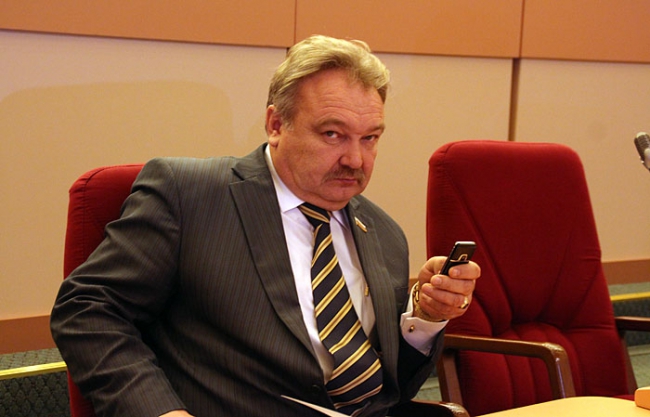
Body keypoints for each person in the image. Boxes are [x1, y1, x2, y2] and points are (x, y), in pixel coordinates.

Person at [51, 35, 480, 417]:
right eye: (333, 134)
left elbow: (394, 390)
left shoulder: (383, 232)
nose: (355, 159)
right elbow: (88, 310)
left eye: (369, 138)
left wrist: (425, 319)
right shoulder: (190, 195)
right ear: (276, 125)